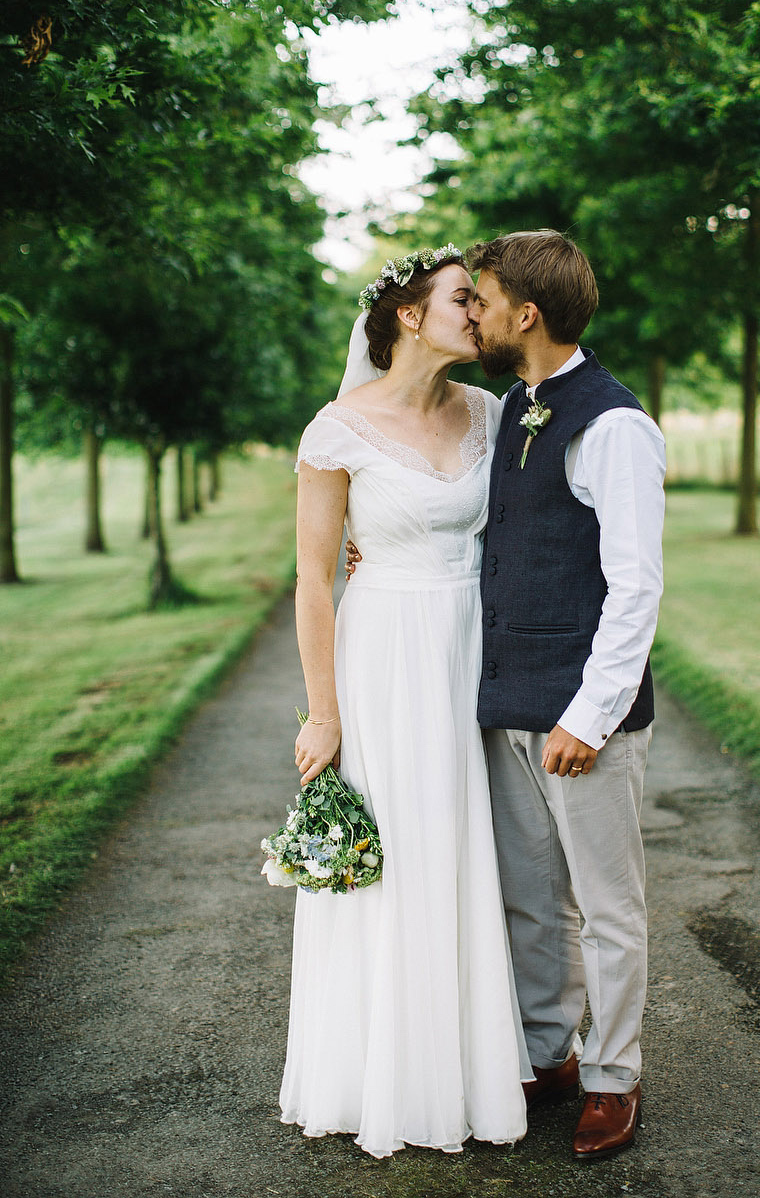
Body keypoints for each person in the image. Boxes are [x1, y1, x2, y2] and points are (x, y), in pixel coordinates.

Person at [279, 244, 530, 1159]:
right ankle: (385, 1077)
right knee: (400, 851)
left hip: (475, 644)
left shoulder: (495, 415)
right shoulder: (337, 429)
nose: (483, 311)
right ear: (411, 318)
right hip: (385, 652)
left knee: (474, 850)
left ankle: (475, 1064)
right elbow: (313, 581)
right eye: (466, 298)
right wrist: (325, 713)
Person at [466, 230, 665, 1162]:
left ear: (527, 313)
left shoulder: (613, 424)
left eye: (484, 296)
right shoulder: (514, 407)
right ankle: (549, 1053)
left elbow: (636, 587)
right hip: (506, 702)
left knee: (608, 905)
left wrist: (589, 718)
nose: (476, 311)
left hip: (583, 715)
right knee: (532, 900)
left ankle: (613, 1077)